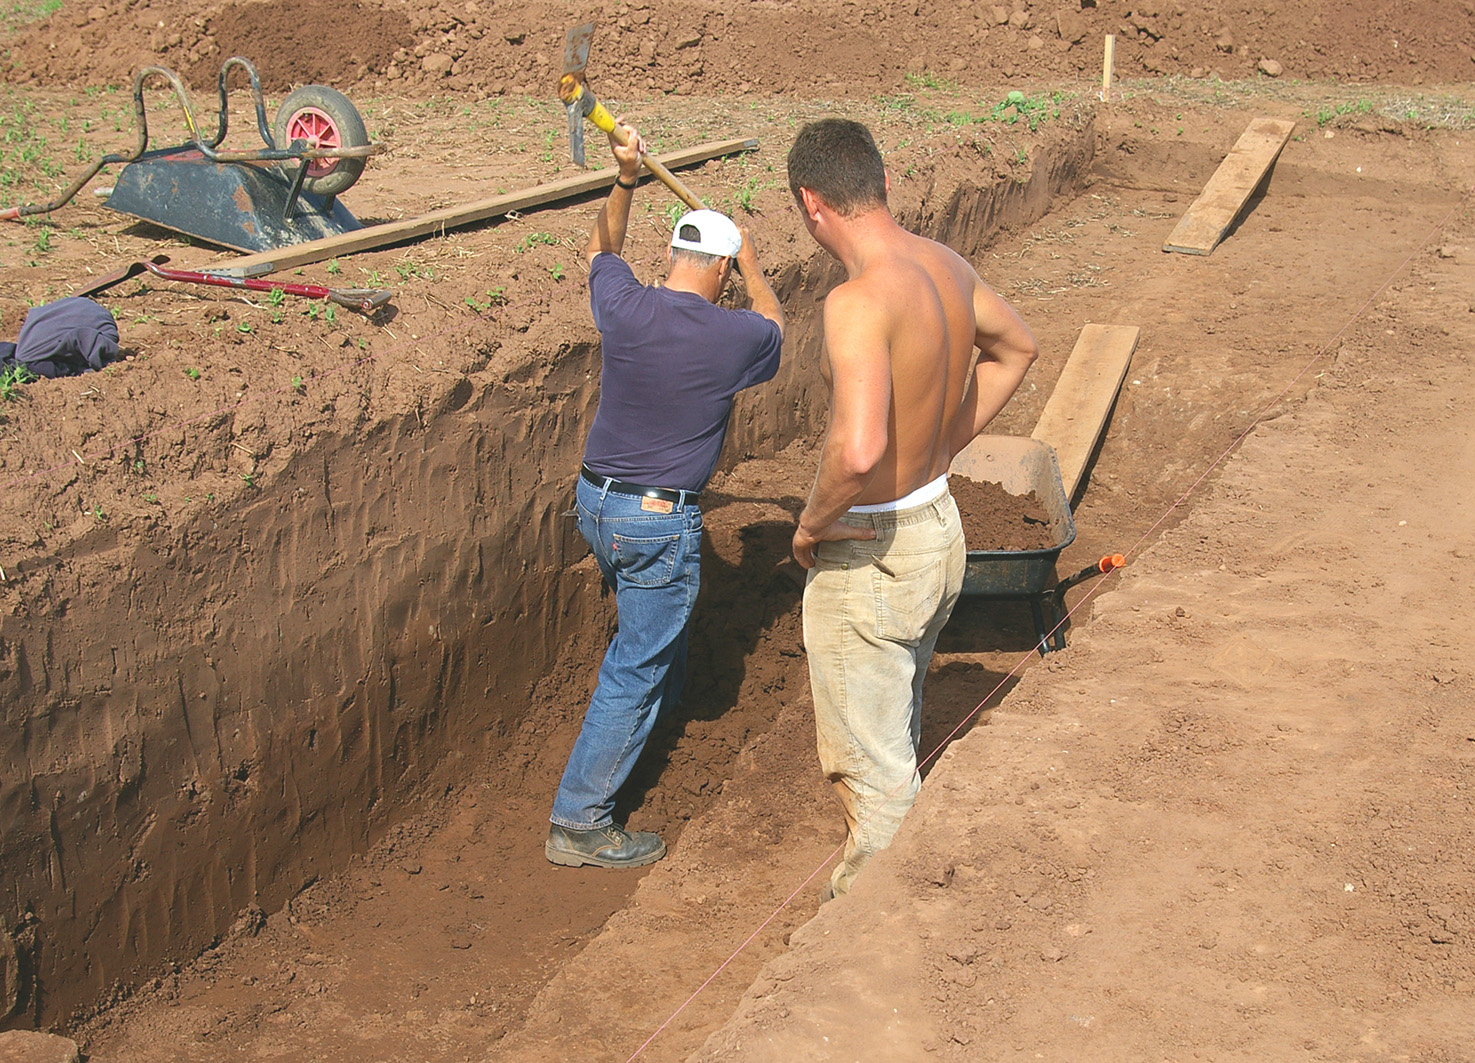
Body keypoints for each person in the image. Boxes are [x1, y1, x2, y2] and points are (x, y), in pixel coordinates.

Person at [785, 118, 1039, 898]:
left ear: (809, 205)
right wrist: (943, 442)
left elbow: (856, 452)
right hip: (939, 526)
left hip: (877, 548)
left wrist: (810, 525)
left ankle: (874, 932)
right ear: (884, 183)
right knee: (895, 717)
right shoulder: (946, 264)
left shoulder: (856, 302)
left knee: (874, 771)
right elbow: (1017, 347)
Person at [547, 118, 786, 869]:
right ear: (717, 272)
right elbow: (776, 320)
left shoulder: (623, 303)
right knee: (634, 665)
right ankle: (579, 822)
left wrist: (623, 178)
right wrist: (753, 260)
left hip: (594, 502)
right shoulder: (734, 337)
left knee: (650, 634)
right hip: (654, 520)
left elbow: (601, 248)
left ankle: (664, 696)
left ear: (673, 257)